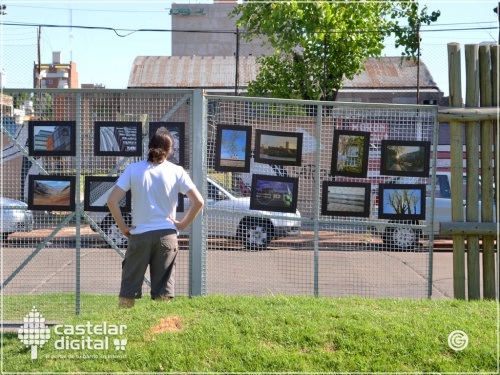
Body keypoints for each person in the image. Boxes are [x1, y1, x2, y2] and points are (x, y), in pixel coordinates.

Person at [107, 127, 204, 308]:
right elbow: (199, 202)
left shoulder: (133, 169)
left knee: (128, 291)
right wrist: (181, 225)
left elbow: (112, 201)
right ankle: (160, 332)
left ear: (149, 146)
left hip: (140, 235)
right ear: (169, 150)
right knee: (163, 294)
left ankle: (124, 328)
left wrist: (123, 228)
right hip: (167, 236)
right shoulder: (177, 171)